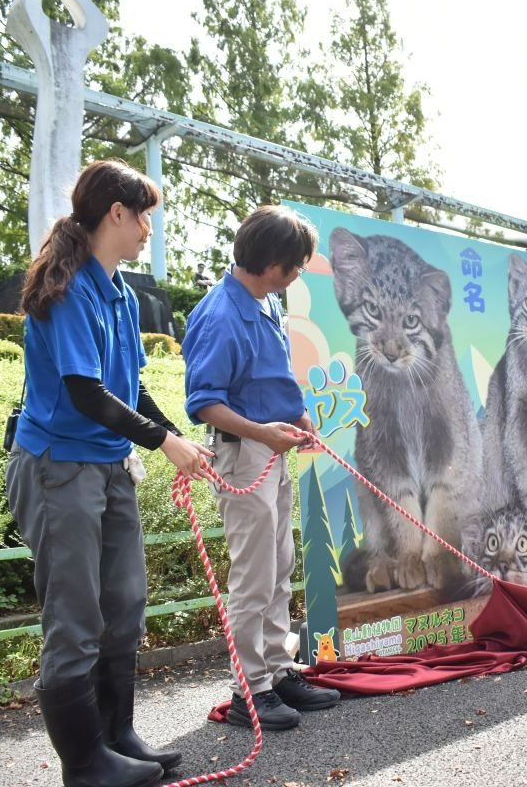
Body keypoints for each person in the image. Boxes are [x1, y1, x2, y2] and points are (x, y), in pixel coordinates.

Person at [5, 160, 213, 785]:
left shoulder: (122, 292)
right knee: (75, 620)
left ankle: (116, 734)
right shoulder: (67, 287)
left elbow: (130, 387)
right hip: (58, 466)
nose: (149, 227)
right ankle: (85, 764)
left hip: (108, 464)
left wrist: (172, 435)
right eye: (143, 213)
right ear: (116, 214)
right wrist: (162, 444)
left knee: (125, 603)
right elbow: (83, 392)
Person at [183, 205, 341, 731]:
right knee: (252, 575)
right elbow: (205, 402)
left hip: (272, 444)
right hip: (244, 450)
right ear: (271, 260)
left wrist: (297, 418)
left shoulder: (266, 301)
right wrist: (263, 433)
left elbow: (272, 377)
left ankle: (277, 668)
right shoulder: (220, 314)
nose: (296, 275)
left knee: (278, 563)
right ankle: (246, 689)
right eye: (294, 265)